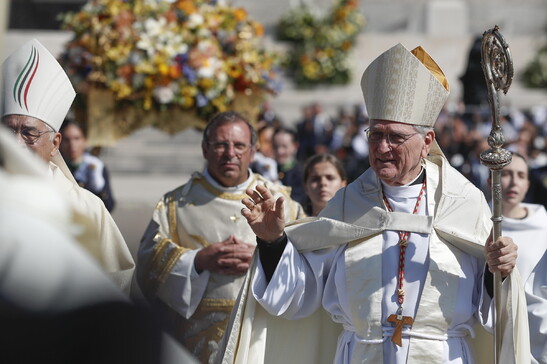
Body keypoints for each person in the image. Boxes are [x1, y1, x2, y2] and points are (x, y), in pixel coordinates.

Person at [219, 43, 529, 363]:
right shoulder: (349, 204)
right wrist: (272, 242)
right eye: (375, 134)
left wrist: (500, 272)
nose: (382, 147)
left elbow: (492, 311)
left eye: (395, 137)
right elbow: (298, 295)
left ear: (426, 143)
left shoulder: (462, 203)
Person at [136, 111, 306, 362]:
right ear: (205, 149)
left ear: (253, 150)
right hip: (193, 340)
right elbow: (147, 264)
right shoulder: (175, 204)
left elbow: (308, 265)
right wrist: (197, 261)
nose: (230, 153)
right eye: (220, 145)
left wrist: (267, 256)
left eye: (239, 145)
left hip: (261, 333)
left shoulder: (281, 202)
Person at [1, 39, 135, 294]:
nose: (16, 143)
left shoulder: (87, 208)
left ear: (55, 144)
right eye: (8, 132)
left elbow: (115, 284)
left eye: (29, 133)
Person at [500, 153, 547, 364]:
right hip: (497, 329)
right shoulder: (478, 223)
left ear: (528, 184)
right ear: (490, 179)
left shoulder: (543, 223)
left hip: (539, 332)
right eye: (506, 174)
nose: (513, 182)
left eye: (520, 175)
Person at [59, 119, 116, 212]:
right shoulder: (55, 167)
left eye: (77, 138)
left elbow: (109, 206)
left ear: (85, 141)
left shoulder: (95, 166)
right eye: (66, 140)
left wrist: (99, 189)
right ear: (58, 141)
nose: (72, 144)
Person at [273, 127, 307, 205]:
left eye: (284, 146)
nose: (279, 151)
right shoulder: (268, 169)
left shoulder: (301, 173)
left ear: (295, 146)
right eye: (276, 146)